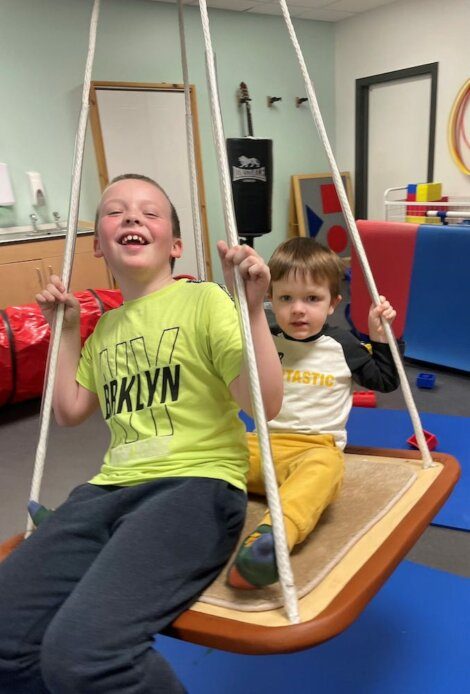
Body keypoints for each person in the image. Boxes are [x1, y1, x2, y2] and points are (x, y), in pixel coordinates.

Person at [0, 173, 283, 694]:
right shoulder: (103, 327)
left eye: (150, 212)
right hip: (107, 491)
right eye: (116, 211)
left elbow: (261, 403)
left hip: (194, 487)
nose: (132, 217)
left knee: (84, 656)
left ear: (175, 245)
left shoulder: (204, 301)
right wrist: (63, 330)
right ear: (98, 244)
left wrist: (252, 312)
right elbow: (68, 410)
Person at [228, 236, 399, 590]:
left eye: (312, 299)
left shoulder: (344, 345)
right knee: (212, 449)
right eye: (286, 298)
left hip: (314, 448)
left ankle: (272, 538)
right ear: (270, 298)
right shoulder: (266, 335)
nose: (298, 310)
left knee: (323, 473)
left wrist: (381, 339)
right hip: (259, 445)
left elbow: (384, 381)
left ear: (333, 303)